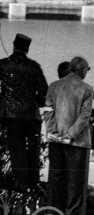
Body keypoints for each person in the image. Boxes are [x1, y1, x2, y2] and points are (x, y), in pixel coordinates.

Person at [43, 56, 94, 215]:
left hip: (55, 140)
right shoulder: (86, 89)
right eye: (86, 69)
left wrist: (54, 132)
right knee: (76, 182)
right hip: (78, 142)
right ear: (81, 69)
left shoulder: (54, 86)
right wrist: (70, 135)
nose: (86, 72)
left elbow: (48, 111)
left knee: (56, 179)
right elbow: (84, 116)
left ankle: (54, 214)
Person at [0, 33, 48, 193]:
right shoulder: (34, 67)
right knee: (33, 151)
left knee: (17, 151)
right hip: (32, 117)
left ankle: (20, 186)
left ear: (14, 46)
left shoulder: (3, 65)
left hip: (11, 116)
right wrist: (36, 103)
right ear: (27, 49)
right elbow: (43, 93)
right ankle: (33, 185)